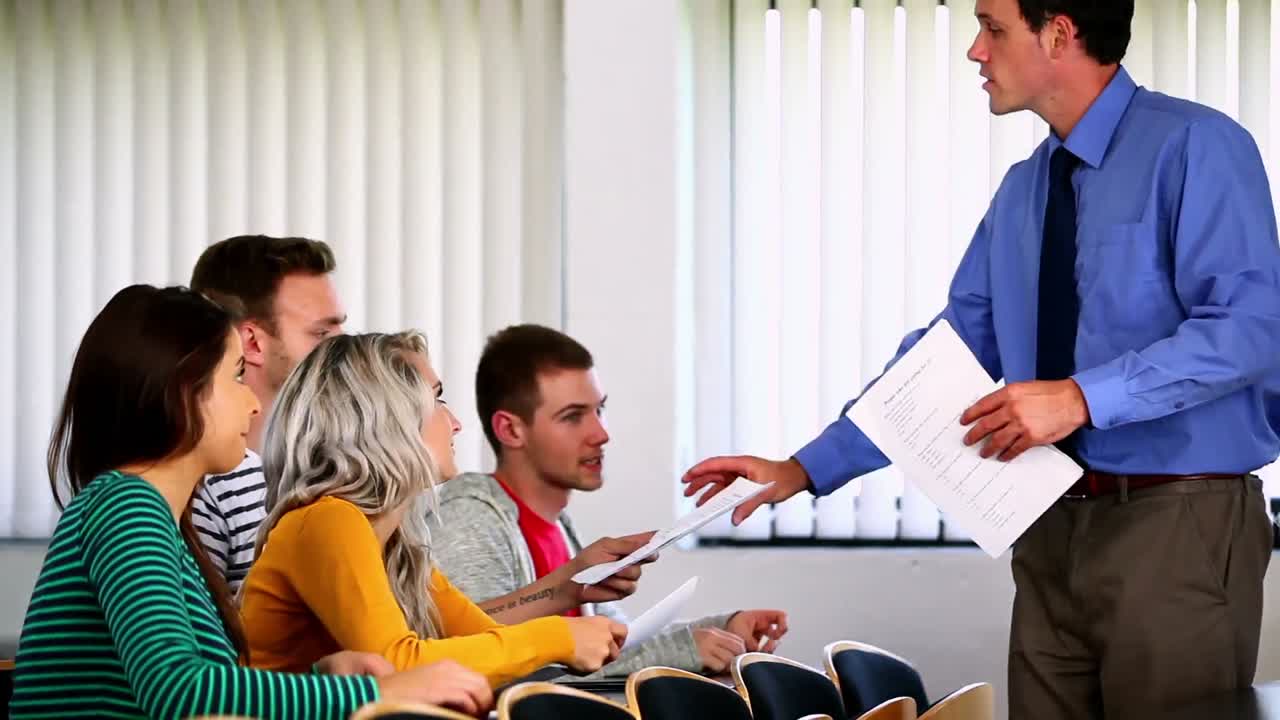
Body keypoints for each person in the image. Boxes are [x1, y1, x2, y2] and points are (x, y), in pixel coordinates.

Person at [683, 0, 1280, 716]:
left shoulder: (1197, 146)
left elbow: (1251, 329)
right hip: (1048, 524)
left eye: (993, 28)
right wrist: (804, 468)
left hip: (1176, 523)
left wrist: (1081, 398)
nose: (975, 50)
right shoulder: (1025, 190)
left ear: (1059, 33)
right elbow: (948, 354)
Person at [9, 285, 492, 719]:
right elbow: (178, 691)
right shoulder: (125, 507)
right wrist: (372, 696)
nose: (255, 403)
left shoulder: (160, 521)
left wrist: (318, 679)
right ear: (184, 394)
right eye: (236, 377)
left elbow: (200, 689)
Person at [239, 331, 629, 688]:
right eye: (437, 400)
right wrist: (557, 638)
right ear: (387, 419)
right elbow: (397, 663)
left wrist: (565, 638)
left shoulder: (395, 544)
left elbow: (481, 639)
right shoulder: (327, 519)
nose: (456, 423)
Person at [434, 324, 790, 677]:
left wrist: (723, 627)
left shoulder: (558, 526)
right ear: (511, 430)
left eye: (599, 411)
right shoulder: (470, 517)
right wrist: (682, 651)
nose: (601, 434)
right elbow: (484, 658)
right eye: (573, 417)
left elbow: (619, 644)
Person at [188, 234, 347, 592]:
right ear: (252, 343)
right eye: (321, 333)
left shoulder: (335, 468)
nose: (345, 350)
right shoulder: (199, 486)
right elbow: (199, 644)